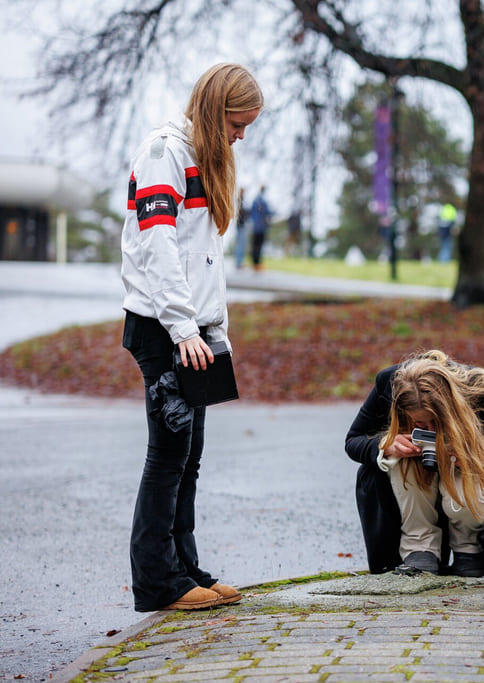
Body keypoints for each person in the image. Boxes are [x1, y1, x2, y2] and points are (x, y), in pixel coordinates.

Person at [120, 63, 263, 612]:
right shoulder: (164, 152)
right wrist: (183, 328)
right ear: (214, 108)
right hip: (162, 329)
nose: (241, 134)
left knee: (190, 455)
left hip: (193, 331)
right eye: (237, 121)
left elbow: (203, 256)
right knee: (169, 454)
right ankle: (158, 583)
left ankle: (185, 570)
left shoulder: (207, 157)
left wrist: (215, 329)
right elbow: (157, 248)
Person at [345, 350, 484, 577]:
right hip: (414, 482)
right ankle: (419, 548)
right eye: (419, 423)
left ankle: (469, 548)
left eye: (435, 422)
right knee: (395, 460)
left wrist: (477, 455)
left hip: (472, 480)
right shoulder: (388, 384)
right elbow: (353, 441)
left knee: (471, 463)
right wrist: (386, 445)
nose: (429, 431)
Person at [248, 186, 271, 269]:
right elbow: (268, 212)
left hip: (255, 226)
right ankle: (257, 263)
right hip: (261, 226)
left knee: (255, 245)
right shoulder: (263, 201)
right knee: (259, 245)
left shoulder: (256, 200)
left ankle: (255, 263)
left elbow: (252, 213)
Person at [233, 187, 248, 269]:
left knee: (240, 244)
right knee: (240, 245)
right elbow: (240, 213)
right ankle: (238, 263)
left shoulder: (240, 201)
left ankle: (239, 262)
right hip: (240, 225)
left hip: (240, 225)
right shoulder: (240, 201)